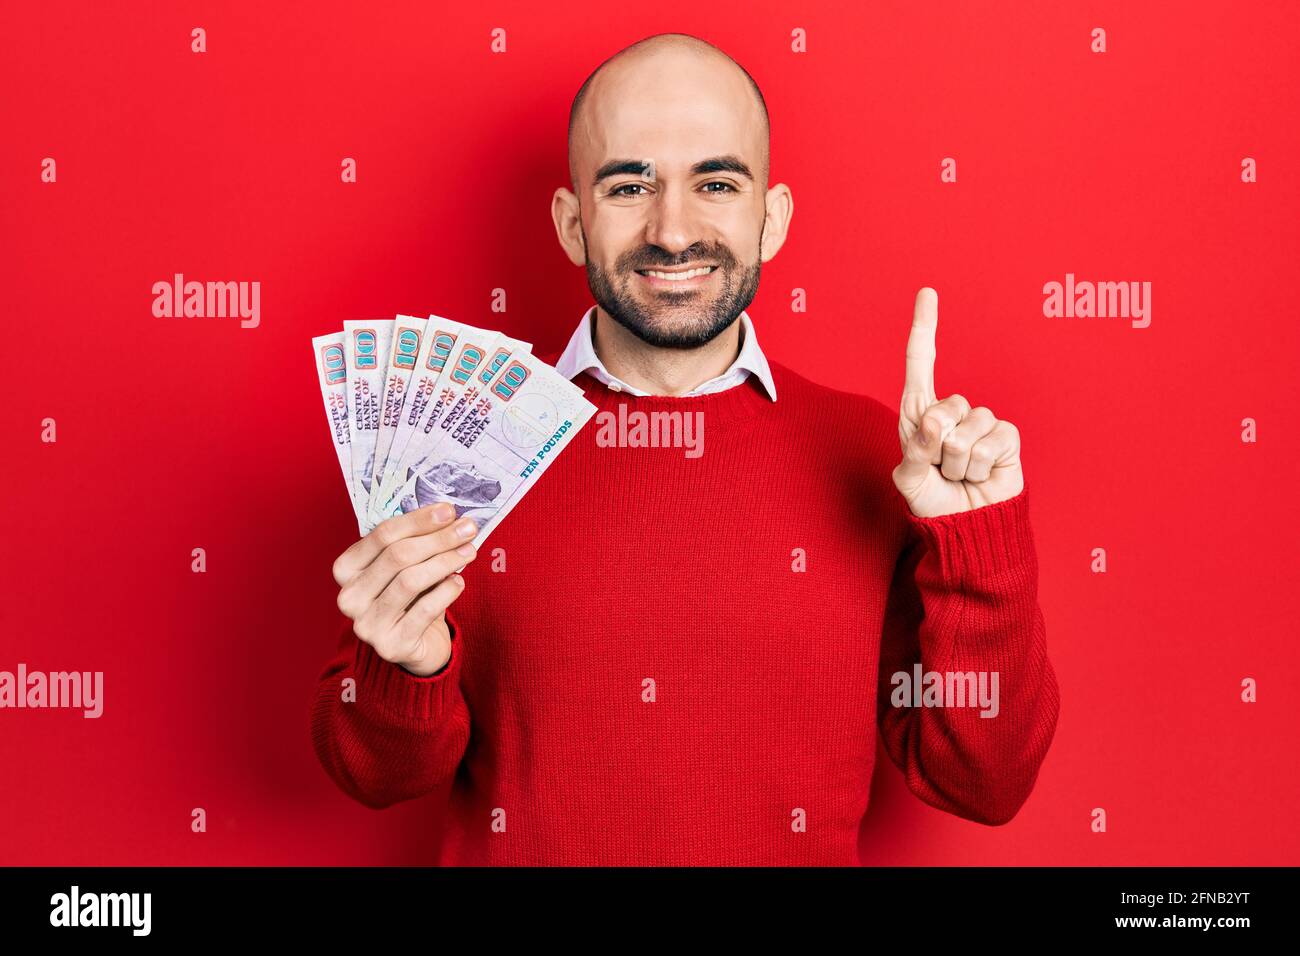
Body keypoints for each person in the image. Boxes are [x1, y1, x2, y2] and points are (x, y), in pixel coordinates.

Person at [310, 32, 1059, 866]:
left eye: (716, 182)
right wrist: (406, 667)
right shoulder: (461, 443)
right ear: (571, 223)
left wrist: (978, 550)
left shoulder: (878, 458)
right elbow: (375, 777)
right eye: (630, 184)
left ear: (770, 220)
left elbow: (984, 783)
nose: (673, 231)